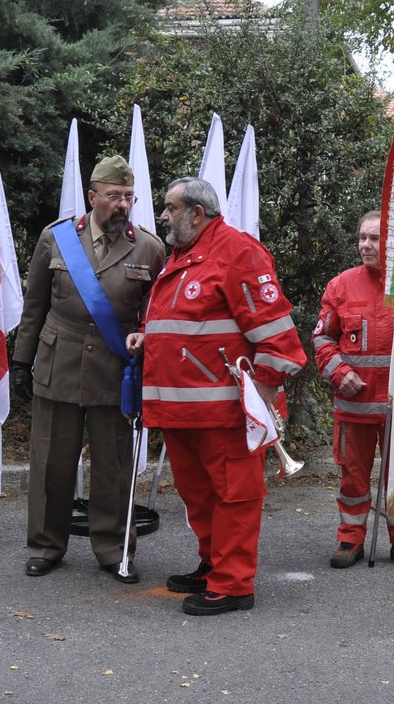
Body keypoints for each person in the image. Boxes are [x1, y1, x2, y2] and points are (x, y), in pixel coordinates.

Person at [124, 176, 306, 615]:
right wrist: (149, 336)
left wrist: (256, 402)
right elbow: (186, 322)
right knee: (200, 495)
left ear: (196, 213)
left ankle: (234, 583)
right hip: (182, 410)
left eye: (169, 208)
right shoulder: (183, 256)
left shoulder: (238, 252)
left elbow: (280, 342)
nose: (162, 216)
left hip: (224, 412)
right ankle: (213, 566)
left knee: (234, 498)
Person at [11, 155, 166, 582]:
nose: (122, 205)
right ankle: (45, 545)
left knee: (114, 465)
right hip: (58, 358)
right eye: (113, 196)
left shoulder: (150, 247)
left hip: (116, 368)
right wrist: (21, 360)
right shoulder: (56, 238)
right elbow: (35, 304)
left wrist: (150, 352)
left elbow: (157, 313)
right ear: (92, 196)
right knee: (50, 462)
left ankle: (114, 549)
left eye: (128, 197)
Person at [311, 210, 394, 571]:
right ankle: (350, 539)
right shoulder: (340, 285)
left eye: (375, 238)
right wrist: (339, 372)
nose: (366, 245)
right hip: (355, 406)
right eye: (362, 238)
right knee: (353, 478)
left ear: (391, 243)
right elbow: (322, 338)